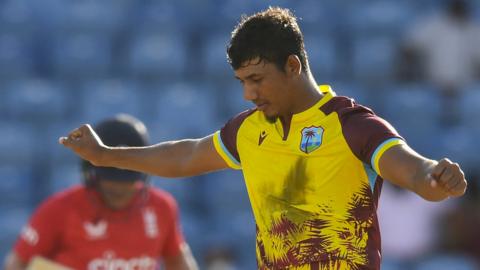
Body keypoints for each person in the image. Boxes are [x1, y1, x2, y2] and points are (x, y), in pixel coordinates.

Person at [58, 7, 467, 270]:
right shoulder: (248, 130)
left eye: (256, 79)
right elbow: (184, 158)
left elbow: (411, 170)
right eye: (241, 82)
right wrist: (107, 155)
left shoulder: (349, 123)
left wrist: (435, 178)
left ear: (292, 66)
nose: (248, 94)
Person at [4, 114, 198, 270]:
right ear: (91, 175)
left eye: (127, 183)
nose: (119, 191)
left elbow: (179, 262)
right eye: (110, 182)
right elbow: (17, 264)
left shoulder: (162, 207)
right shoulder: (60, 209)